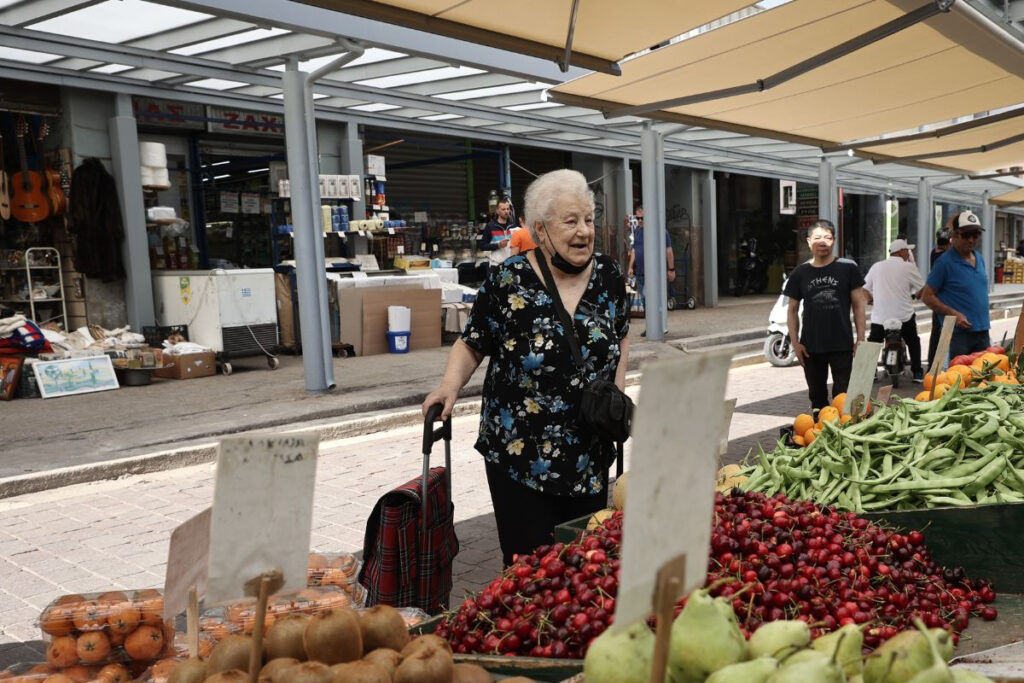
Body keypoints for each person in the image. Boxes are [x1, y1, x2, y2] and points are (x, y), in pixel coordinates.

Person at [423, 169, 630, 567]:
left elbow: (621, 335)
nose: (584, 231)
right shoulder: (507, 279)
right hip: (519, 454)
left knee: (582, 565)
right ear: (540, 229)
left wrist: (615, 395)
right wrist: (449, 386)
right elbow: (471, 342)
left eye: (588, 219)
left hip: (589, 451)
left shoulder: (609, 277)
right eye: (570, 222)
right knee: (527, 568)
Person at [784, 220, 868, 414]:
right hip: (811, 346)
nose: (823, 242)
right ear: (808, 241)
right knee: (817, 397)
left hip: (842, 344)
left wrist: (861, 337)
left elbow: (858, 304)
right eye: (817, 237)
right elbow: (792, 310)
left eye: (827, 237)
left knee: (843, 397)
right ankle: (820, 435)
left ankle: (843, 436)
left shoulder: (848, 268)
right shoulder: (800, 273)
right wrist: (795, 342)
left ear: (834, 240)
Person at [921, 210, 991, 359]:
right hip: (958, 336)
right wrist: (953, 314)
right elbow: (927, 296)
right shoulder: (944, 263)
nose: (971, 239)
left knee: (984, 379)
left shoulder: (979, 257)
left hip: (983, 331)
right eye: (966, 235)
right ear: (954, 235)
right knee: (959, 378)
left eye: (976, 234)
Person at [864, 238, 926, 382]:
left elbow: (864, 289)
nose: (908, 253)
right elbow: (923, 288)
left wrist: (871, 300)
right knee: (913, 341)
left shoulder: (876, 266)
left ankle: (870, 373)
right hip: (903, 316)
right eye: (907, 250)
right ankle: (917, 372)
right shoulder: (909, 267)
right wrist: (916, 295)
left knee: (873, 342)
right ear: (902, 251)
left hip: (881, 318)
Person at [925, 229, 951, 368]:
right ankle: (939, 366)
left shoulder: (934, 253)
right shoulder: (945, 257)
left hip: (937, 298)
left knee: (936, 332)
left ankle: (931, 364)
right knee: (944, 332)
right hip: (943, 299)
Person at [480, 198, 514, 271]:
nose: (506, 211)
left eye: (508, 209)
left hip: (511, 265)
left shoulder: (513, 226)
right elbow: (482, 246)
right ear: (497, 211)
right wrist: (498, 245)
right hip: (496, 265)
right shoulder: (491, 226)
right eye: (503, 209)